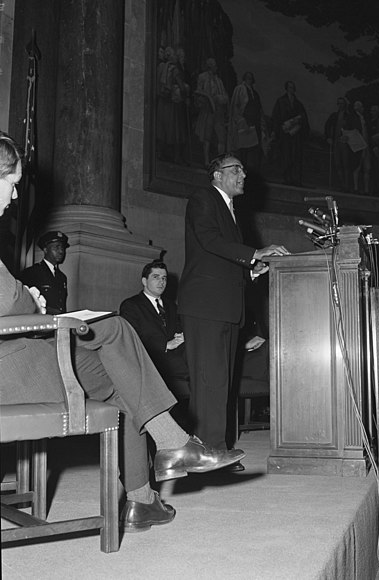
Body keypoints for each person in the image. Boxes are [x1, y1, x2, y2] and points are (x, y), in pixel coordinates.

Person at [0, 132, 244, 533]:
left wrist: (26, 302)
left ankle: (144, 498)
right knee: (115, 332)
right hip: (11, 370)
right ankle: (173, 447)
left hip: (17, 359)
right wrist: (33, 301)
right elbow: (13, 304)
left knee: (124, 374)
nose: (13, 198)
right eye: (12, 184)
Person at [177, 153, 290, 458]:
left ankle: (216, 448)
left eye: (243, 170)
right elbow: (210, 241)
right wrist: (256, 252)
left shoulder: (230, 210)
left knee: (221, 382)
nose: (243, 175)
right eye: (236, 169)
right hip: (205, 305)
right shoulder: (203, 198)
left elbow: (221, 258)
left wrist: (251, 270)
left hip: (224, 306)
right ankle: (207, 450)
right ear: (216, 175)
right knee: (209, 381)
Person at [120, 260, 190, 400]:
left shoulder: (172, 307)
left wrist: (182, 337)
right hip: (149, 359)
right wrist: (165, 345)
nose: (161, 282)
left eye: (164, 278)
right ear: (144, 281)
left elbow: (179, 331)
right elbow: (132, 338)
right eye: (156, 277)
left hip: (176, 358)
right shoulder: (131, 305)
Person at [19, 231, 69, 314]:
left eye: (62, 248)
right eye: (57, 247)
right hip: (41, 321)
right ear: (45, 250)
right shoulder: (32, 272)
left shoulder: (62, 277)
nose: (61, 251)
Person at [271, 80, 310, 186]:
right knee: (286, 155)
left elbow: (303, 117)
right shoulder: (281, 101)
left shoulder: (298, 103)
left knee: (295, 155)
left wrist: (297, 121)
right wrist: (276, 131)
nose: (292, 89)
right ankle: (286, 177)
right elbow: (276, 117)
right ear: (287, 88)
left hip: (295, 134)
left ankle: (295, 178)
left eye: (293, 87)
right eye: (290, 87)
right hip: (285, 134)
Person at [227, 71, 265, 174]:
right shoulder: (240, 90)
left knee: (254, 149)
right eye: (248, 78)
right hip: (244, 123)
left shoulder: (254, 93)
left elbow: (259, 108)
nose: (249, 80)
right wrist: (241, 120)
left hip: (254, 123)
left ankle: (252, 171)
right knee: (243, 149)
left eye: (251, 78)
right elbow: (236, 106)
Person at [194, 57, 229, 167]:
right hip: (207, 109)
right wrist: (207, 98)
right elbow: (198, 91)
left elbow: (225, 96)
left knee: (221, 137)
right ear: (210, 66)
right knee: (206, 135)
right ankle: (206, 160)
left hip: (218, 111)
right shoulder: (202, 77)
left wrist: (220, 98)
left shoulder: (219, 81)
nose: (216, 68)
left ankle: (220, 162)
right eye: (214, 66)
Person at [324, 96, 352, 192]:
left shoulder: (348, 116)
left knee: (346, 164)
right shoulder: (334, 116)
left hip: (344, 144)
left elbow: (352, 130)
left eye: (342, 103)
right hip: (336, 143)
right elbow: (327, 126)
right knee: (338, 164)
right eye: (338, 103)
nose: (340, 105)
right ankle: (342, 184)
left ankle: (347, 185)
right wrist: (328, 137)